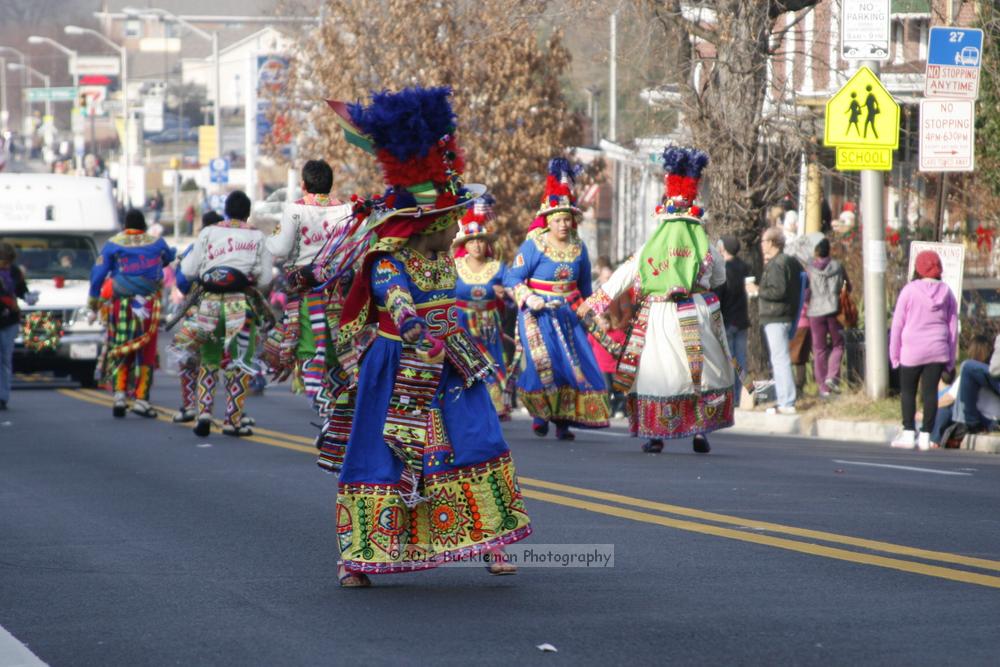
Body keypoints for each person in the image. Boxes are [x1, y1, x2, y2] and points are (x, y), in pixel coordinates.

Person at [325, 87, 531, 586]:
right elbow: (394, 300)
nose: (459, 224)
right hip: (399, 366)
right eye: (450, 219)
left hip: (453, 360)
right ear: (426, 224)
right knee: (381, 456)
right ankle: (359, 559)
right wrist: (416, 330)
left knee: (480, 440)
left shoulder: (442, 257)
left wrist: (440, 338)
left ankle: (492, 540)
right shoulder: (389, 260)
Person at [579, 146, 731, 453]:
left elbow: (625, 274)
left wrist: (593, 302)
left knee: (660, 372)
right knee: (700, 372)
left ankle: (656, 434)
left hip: (661, 315)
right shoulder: (705, 245)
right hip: (697, 312)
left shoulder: (653, 246)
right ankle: (701, 431)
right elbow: (720, 279)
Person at [504, 157, 610, 440]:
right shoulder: (534, 245)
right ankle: (541, 414)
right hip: (539, 315)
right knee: (544, 363)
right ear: (548, 220)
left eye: (568, 218)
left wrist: (595, 312)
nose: (564, 224)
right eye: (558, 219)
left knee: (571, 367)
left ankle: (563, 421)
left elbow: (586, 287)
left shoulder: (579, 247)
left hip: (569, 315)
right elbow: (512, 278)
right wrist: (529, 298)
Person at [171, 191, 274, 437]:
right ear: (248, 213)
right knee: (239, 362)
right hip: (242, 306)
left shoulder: (208, 232)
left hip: (209, 305)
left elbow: (188, 269)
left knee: (208, 359)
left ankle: (204, 412)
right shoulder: (258, 236)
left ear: (226, 210)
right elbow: (266, 280)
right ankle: (232, 420)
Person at [264, 159, 353, 429]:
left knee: (309, 356)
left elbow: (279, 247)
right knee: (339, 357)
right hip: (340, 295)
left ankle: (329, 415)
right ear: (330, 184)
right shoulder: (347, 209)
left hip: (308, 295)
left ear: (303, 184)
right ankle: (340, 421)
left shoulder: (295, 210)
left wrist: (268, 240)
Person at [889, 250, 958, 450]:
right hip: (938, 348)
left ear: (918, 268)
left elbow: (897, 326)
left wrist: (894, 355)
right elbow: (953, 328)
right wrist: (951, 359)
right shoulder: (946, 292)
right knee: (930, 393)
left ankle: (909, 432)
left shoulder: (909, 291)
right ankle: (926, 435)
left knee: (908, 392)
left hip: (911, 349)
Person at [452, 195, 511, 419]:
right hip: (461, 324)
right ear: (464, 244)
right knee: (463, 365)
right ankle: (463, 406)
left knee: (491, 362)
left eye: (480, 240)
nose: (476, 245)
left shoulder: (497, 267)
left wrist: (510, 294)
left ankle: (493, 406)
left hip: (488, 324)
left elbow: (512, 287)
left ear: (487, 244)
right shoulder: (454, 266)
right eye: (472, 240)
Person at [746, 227, 803, 415]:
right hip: (782, 315)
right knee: (779, 359)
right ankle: (784, 399)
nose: (762, 245)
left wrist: (758, 290)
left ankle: (786, 401)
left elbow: (779, 291)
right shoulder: (788, 261)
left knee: (780, 360)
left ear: (771, 242)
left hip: (776, 315)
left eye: (763, 241)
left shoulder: (778, 263)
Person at [934, 336, 997, 448]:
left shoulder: (970, 373)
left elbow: (949, 398)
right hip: (993, 419)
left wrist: (927, 412)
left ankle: (934, 440)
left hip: (981, 419)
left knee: (946, 409)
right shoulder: (989, 374)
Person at [803, 238, 846, 397]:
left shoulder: (810, 269)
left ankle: (823, 387)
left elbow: (806, 292)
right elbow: (846, 286)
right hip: (834, 309)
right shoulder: (838, 266)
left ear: (816, 252)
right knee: (838, 345)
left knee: (819, 349)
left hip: (815, 311)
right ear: (830, 250)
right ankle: (832, 377)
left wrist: (810, 301)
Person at [0, 242, 35, 410]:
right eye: (4, 262)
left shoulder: (14, 272)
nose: (6, 266)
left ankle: (2, 396)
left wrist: (29, 297)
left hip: (9, 321)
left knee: (5, 358)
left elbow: (22, 290)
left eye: (8, 263)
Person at [716, 235, 750, 406]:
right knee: (741, 359)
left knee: (729, 361)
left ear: (724, 249)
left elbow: (719, 296)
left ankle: (732, 397)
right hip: (742, 319)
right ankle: (746, 394)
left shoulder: (723, 269)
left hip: (727, 320)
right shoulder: (745, 267)